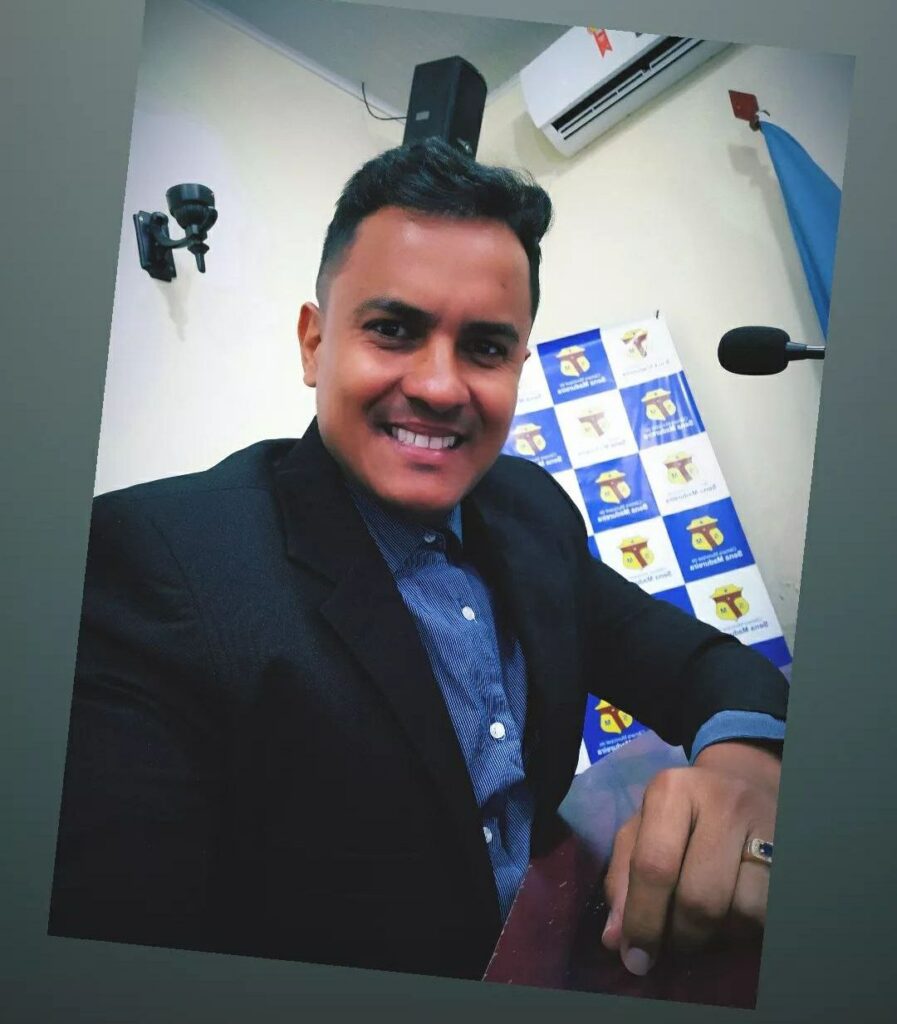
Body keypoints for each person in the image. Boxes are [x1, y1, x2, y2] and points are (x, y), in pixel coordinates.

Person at [49, 139, 787, 981]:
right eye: (393, 330)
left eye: (485, 347)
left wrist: (744, 770)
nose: (439, 386)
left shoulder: (530, 509)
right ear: (313, 344)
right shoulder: (157, 561)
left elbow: (702, 665)